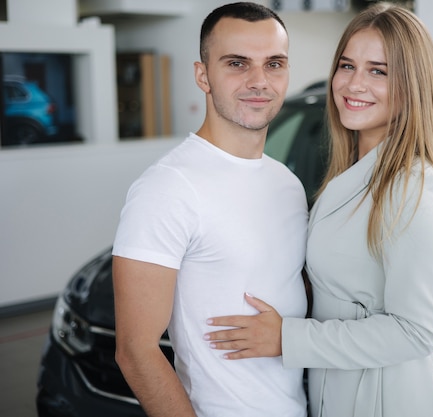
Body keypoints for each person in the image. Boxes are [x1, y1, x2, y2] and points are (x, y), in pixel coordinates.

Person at [204, 3, 433, 417]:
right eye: (347, 65)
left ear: (412, 87)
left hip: (387, 401)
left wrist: (288, 338)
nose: (354, 84)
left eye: (378, 71)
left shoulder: (415, 188)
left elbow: (416, 332)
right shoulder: (353, 176)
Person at [111, 3, 309, 417]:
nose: (259, 81)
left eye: (274, 64)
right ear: (203, 75)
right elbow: (135, 351)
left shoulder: (287, 184)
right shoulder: (167, 187)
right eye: (237, 63)